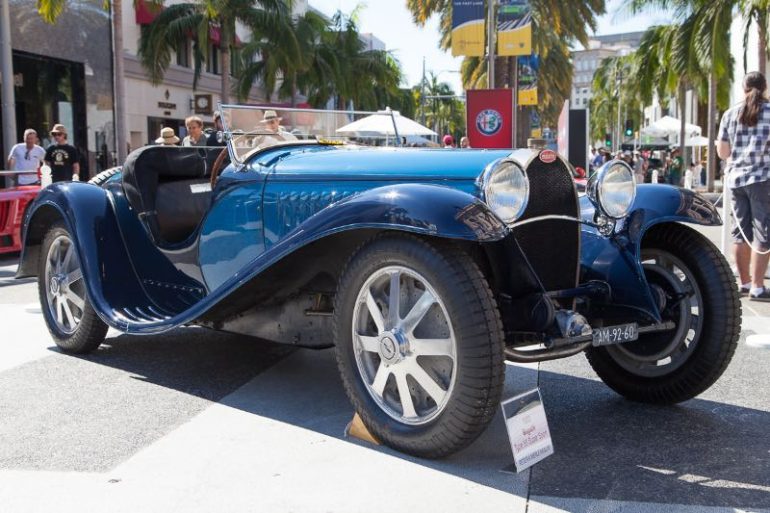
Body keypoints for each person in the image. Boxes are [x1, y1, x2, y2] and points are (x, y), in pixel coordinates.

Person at [717, 71, 770, 301]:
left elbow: (723, 152)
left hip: (736, 181)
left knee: (740, 234)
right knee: (763, 233)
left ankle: (745, 283)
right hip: (763, 179)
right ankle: (759, 286)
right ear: (765, 87)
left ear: (743, 87)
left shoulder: (730, 114)